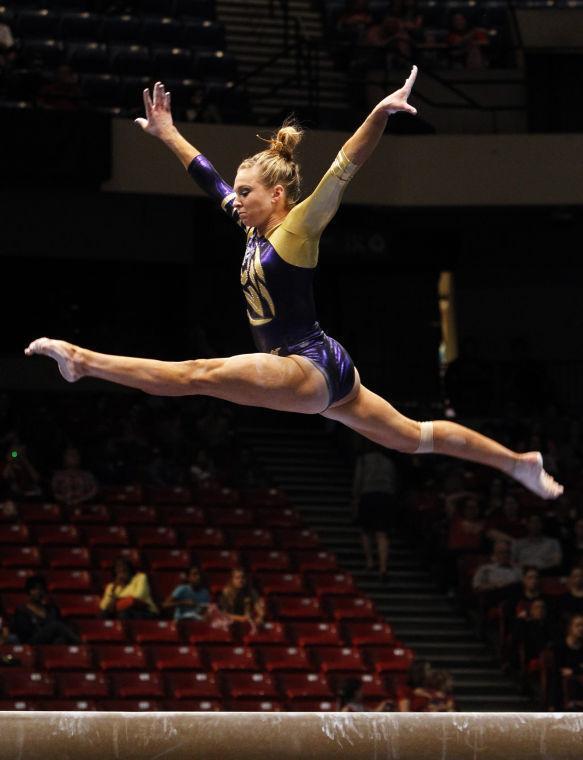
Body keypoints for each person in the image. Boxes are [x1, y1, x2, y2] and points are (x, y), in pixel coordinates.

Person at [24, 70, 563, 503]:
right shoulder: (252, 224)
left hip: (304, 364)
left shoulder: (296, 228)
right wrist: (167, 132)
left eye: (245, 192)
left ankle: (81, 359)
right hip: (325, 364)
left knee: (198, 374)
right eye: (234, 193)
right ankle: (518, 463)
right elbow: (205, 174)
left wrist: (377, 113)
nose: (233, 200)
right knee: (415, 436)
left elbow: (344, 165)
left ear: (277, 194)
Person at [352, 442, 398, 579]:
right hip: (386, 497)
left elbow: (358, 480)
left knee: (366, 531)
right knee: (382, 533)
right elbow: (394, 481)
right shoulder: (389, 461)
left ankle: (370, 562)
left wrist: (355, 497)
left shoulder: (364, 460)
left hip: (368, 495)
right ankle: (383, 567)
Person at [11, 575, 79, 645]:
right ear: (28, 591)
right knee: (56, 625)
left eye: (40, 589)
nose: (38, 592)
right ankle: (79, 643)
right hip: (31, 642)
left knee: (60, 640)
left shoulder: (51, 609)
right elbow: (24, 634)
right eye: (34, 589)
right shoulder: (22, 611)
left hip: (49, 642)